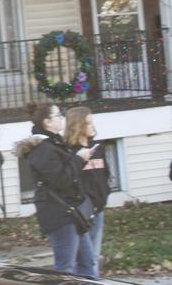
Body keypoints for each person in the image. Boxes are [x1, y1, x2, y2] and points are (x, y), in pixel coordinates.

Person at [16, 101, 98, 278]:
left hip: (72, 213)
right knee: (65, 269)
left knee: (87, 263)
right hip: (59, 215)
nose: (62, 118)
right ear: (47, 122)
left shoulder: (54, 144)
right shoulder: (43, 149)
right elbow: (61, 180)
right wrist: (79, 159)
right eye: (58, 115)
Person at [65, 106, 110, 270]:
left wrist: (104, 195)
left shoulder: (98, 148)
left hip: (98, 209)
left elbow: (105, 174)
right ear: (78, 126)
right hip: (82, 212)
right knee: (84, 259)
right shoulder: (69, 152)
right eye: (88, 122)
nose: (92, 126)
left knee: (93, 257)